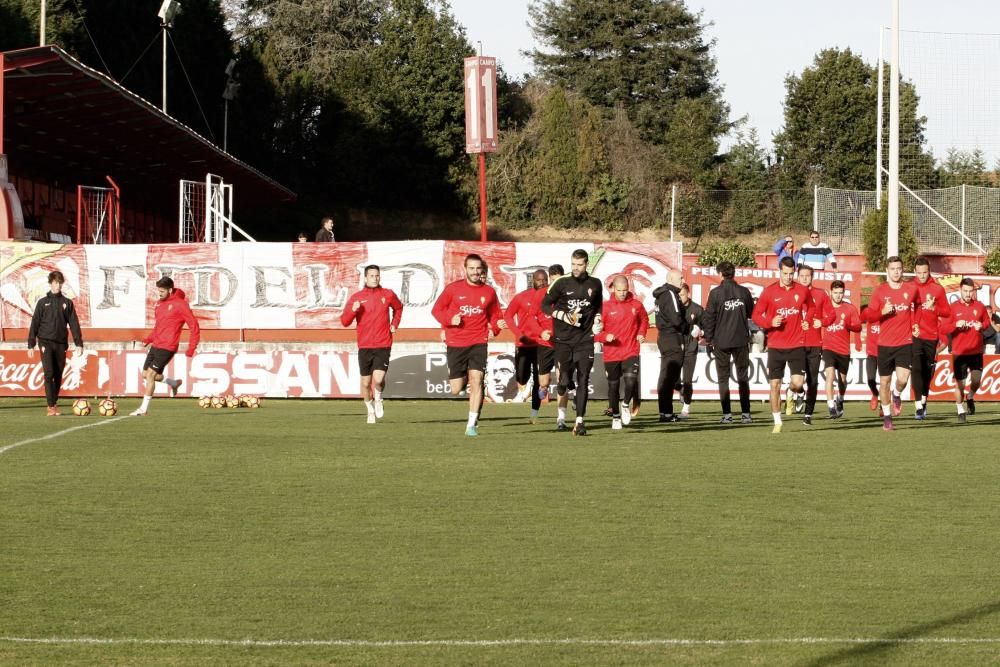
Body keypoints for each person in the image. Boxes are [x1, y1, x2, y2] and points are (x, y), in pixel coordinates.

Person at [431, 253, 505, 437]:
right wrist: (450, 320)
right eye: (471, 268)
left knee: (477, 380)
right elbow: (437, 310)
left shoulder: (489, 292)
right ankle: (463, 378)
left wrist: (495, 329)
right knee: (456, 389)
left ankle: (472, 424)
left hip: (478, 342)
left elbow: (496, 316)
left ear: (482, 269)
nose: (475, 271)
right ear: (465, 269)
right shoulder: (453, 289)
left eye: (478, 268)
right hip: (456, 342)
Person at [541, 249, 603, 435]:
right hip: (563, 339)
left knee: (583, 378)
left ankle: (580, 422)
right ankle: (563, 383)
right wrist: (563, 315)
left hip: (585, 339)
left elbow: (598, 305)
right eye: (573, 264)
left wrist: (598, 320)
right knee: (565, 379)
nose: (576, 268)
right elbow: (544, 305)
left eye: (580, 265)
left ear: (586, 265)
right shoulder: (561, 283)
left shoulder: (595, 283)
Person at [751, 256, 813, 434]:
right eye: (785, 273)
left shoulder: (802, 290)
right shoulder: (770, 292)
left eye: (791, 273)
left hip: (796, 344)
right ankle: (777, 421)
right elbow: (756, 315)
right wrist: (771, 322)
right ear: (779, 271)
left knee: (798, 383)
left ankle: (793, 392)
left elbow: (812, 308)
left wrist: (806, 320)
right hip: (776, 346)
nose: (788, 277)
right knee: (774, 385)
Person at [340, 265, 404, 424]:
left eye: (377, 275)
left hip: (383, 343)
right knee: (365, 383)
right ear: (365, 278)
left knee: (379, 379)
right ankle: (369, 409)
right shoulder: (357, 297)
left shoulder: (387, 294)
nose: (375, 278)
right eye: (371, 276)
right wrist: (352, 311)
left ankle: (379, 398)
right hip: (365, 345)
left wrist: (395, 323)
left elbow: (399, 307)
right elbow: (344, 322)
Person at [864, 256, 919, 431]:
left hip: (905, 342)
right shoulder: (880, 291)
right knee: (885, 381)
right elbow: (870, 316)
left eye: (899, 268)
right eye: (893, 269)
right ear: (887, 271)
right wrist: (882, 311)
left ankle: (897, 394)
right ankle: (887, 418)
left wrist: (916, 323)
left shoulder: (911, 289)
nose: (896, 272)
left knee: (902, 379)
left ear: (903, 270)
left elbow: (917, 307)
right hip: (885, 344)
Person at [132, 276, 200, 416]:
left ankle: (143, 409)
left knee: (150, 375)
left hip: (168, 346)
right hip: (156, 344)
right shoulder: (159, 304)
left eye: (162, 291)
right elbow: (159, 326)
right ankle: (173, 383)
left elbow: (194, 326)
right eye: (158, 291)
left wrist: (191, 347)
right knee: (145, 374)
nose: (159, 293)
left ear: (170, 290)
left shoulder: (181, 304)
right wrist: (148, 339)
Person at [701, 261, 755, 424]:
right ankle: (746, 414)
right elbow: (751, 312)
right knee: (743, 378)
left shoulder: (716, 293)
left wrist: (709, 340)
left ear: (720, 274)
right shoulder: (744, 291)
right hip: (740, 340)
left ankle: (727, 415)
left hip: (722, 341)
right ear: (734, 273)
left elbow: (709, 318)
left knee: (723, 379)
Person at [27, 270, 84, 416]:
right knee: (49, 373)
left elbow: (74, 324)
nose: (57, 285)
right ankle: (50, 406)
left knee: (58, 374)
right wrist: (31, 343)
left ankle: (54, 402)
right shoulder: (42, 302)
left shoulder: (67, 303)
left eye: (59, 283)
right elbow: (35, 323)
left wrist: (79, 343)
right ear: (50, 284)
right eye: (55, 283)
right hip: (45, 341)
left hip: (61, 343)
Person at [595, 275, 648, 430]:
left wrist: (641, 333)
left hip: (631, 350)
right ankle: (616, 416)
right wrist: (606, 336)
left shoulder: (636, 305)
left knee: (631, 380)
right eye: (619, 290)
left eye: (625, 290)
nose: (622, 293)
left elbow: (644, 320)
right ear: (613, 289)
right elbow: (595, 333)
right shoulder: (605, 307)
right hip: (611, 354)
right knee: (613, 387)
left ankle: (625, 404)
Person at [943, 277, 991, 422]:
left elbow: (987, 322)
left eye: (970, 291)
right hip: (959, 353)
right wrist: (955, 325)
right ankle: (960, 410)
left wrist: (981, 326)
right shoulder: (952, 308)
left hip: (976, 351)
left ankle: (970, 396)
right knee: (960, 384)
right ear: (960, 290)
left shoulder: (980, 306)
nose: (968, 294)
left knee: (976, 381)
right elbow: (944, 327)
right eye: (965, 291)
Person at [504, 269, 549, 421]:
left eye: (544, 280)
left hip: (541, 344)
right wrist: (519, 334)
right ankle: (523, 380)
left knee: (539, 379)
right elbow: (508, 316)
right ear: (532, 281)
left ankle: (534, 413)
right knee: (522, 377)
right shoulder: (521, 297)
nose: (542, 283)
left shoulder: (550, 298)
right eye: (539, 280)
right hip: (523, 344)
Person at [910, 256, 952, 420]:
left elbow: (947, 312)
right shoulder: (909, 286)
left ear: (929, 271)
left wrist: (935, 308)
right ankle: (918, 405)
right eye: (919, 272)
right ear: (914, 271)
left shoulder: (937, 289)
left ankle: (924, 401)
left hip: (932, 335)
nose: (922, 276)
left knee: (928, 372)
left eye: (925, 272)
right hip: (914, 335)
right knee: (917, 368)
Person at [795, 265, 835, 425]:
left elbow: (832, 314)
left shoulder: (820, 294)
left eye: (808, 276)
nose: (805, 278)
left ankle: (808, 414)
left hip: (814, 344)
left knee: (813, 380)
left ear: (812, 277)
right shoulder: (793, 294)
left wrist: (823, 322)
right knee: (797, 381)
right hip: (795, 344)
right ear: (798, 277)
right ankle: (798, 393)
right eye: (802, 276)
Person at [822, 280, 861, 418]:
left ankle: (840, 399)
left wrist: (850, 325)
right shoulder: (825, 308)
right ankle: (831, 406)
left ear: (844, 293)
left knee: (842, 380)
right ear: (830, 292)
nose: (838, 296)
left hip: (843, 349)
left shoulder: (850, 309)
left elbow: (858, 327)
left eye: (841, 293)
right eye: (836, 293)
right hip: (828, 348)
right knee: (830, 375)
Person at [652, 269, 686, 423]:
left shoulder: (661, 295)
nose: (682, 280)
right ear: (671, 279)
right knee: (670, 376)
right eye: (680, 277)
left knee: (665, 375)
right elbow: (676, 319)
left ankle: (664, 412)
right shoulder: (670, 294)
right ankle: (666, 412)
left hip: (664, 337)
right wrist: (689, 328)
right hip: (672, 337)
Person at [676, 283, 703, 419]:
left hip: (690, 349)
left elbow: (706, 327)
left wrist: (700, 331)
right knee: (674, 379)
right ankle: (679, 389)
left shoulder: (697, 309)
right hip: (676, 348)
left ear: (688, 294)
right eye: (678, 295)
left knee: (687, 380)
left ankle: (686, 409)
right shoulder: (674, 309)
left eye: (682, 295)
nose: (680, 298)